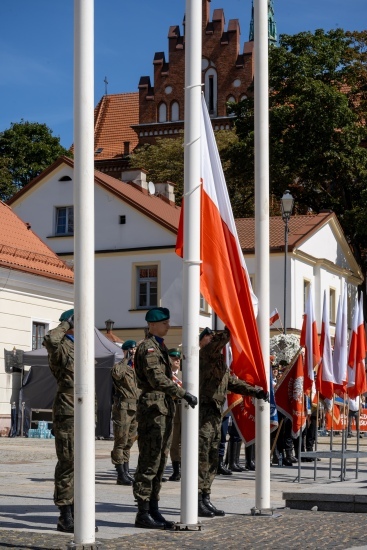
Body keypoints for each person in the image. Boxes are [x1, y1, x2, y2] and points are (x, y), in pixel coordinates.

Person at [132, 307, 197, 530]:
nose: (168, 326)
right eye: (165, 323)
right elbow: (157, 378)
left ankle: (153, 508)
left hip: (163, 408)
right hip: (153, 409)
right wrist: (182, 393)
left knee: (160, 461)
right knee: (149, 461)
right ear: (152, 324)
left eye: (168, 322)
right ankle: (142, 512)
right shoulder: (149, 348)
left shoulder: (159, 347)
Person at [198, 326, 269, 518]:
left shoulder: (220, 363)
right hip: (203, 413)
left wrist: (256, 391)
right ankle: (197, 499)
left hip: (214, 413)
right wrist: (233, 324)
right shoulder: (203, 355)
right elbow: (216, 343)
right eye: (210, 337)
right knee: (202, 457)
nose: (213, 340)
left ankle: (206, 497)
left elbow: (232, 382)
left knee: (213, 457)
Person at [43, 309, 97, 534]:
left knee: (82, 464)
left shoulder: (84, 344)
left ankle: (78, 512)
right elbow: (50, 339)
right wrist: (66, 324)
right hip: (68, 410)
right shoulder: (61, 345)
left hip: (84, 410)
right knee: (68, 462)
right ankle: (65, 516)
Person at [110, 340, 139, 486]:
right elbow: (116, 374)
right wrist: (126, 358)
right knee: (120, 442)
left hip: (135, 408)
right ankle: (120, 473)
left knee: (129, 441)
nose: (134, 352)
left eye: (135, 350)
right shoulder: (120, 367)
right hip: (123, 408)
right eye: (131, 350)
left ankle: (126, 472)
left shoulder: (136, 368)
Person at [167, 348, 182, 481]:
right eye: (173, 357)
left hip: (186, 409)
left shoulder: (185, 374)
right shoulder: (165, 375)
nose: (176, 360)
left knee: (186, 441)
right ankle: (176, 470)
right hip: (172, 409)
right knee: (174, 441)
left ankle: (186, 468)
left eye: (178, 358)